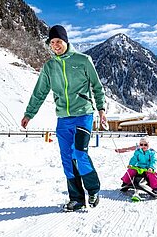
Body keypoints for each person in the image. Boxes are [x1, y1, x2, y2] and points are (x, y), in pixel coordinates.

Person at [21, 25, 107, 211]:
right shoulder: (49, 67)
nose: (55, 45)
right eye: (52, 43)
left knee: (79, 153)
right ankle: (76, 198)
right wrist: (29, 113)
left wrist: (101, 109)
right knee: (67, 158)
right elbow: (39, 92)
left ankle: (93, 190)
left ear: (66, 41)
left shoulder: (83, 60)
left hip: (83, 114)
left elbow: (97, 86)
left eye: (58, 41)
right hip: (63, 118)